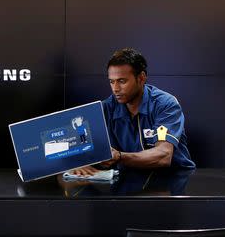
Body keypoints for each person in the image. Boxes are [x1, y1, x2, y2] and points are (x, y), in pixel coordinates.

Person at [72, 48, 195, 176]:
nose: (115, 89)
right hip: (129, 179)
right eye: (111, 82)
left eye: (122, 81)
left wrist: (120, 156)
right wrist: (79, 162)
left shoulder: (165, 104)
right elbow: (75, 147)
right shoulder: (106, 108)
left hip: (172, 179)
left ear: (141, 78)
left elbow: (163, 156)